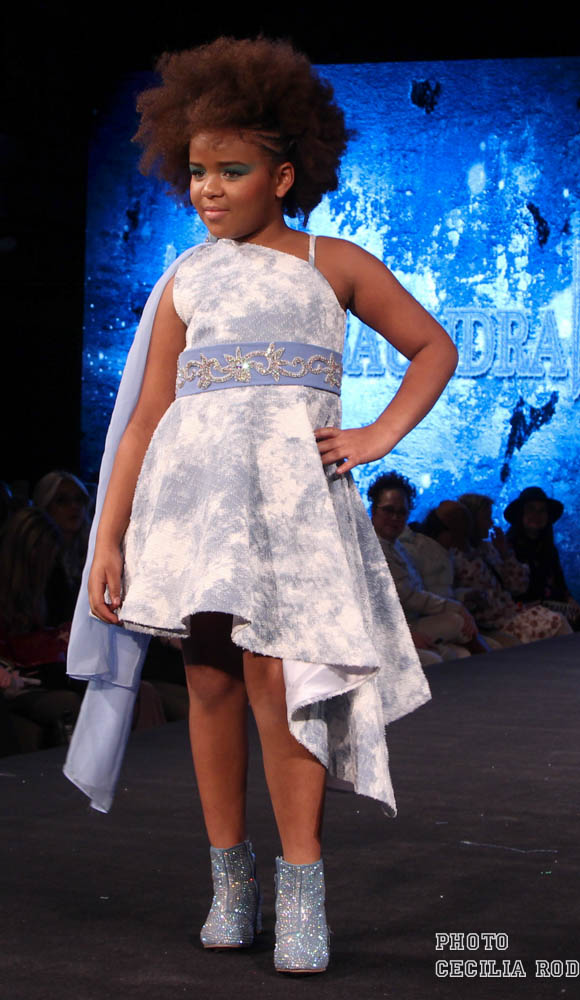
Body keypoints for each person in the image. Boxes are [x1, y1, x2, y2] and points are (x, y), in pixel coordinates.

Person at [64, 37, 457, 974]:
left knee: (279, 684)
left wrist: (377, 435)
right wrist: (107, 540)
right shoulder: (187, 277)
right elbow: (146, 417)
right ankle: (230, 881)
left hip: (288, 510)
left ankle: (303, 884)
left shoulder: (332, 262)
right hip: (193, 506)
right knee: (206, 680)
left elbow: (433, 347)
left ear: (282, 176)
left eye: (230, 171)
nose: (208, 189)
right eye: (197, 171)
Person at [369, 472, 484, 663]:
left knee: (460, 650)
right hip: (385, 630)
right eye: (388, 510)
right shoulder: (371, 548)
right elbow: (409, 597)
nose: (395, 517)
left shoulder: (397, 546)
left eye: (402, 512)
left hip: (411, 622)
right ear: (374, 510)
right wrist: (457, 607)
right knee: (457, 624)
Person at [453, 492, 571, 644]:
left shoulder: (490, 549)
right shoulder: (454, 556)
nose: (491, 522)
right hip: (497, 620)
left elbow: (519, 585)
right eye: (486, 517)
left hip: (513, 612)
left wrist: (505, 554)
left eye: (542, 511)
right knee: (558, 621)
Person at [504, 486, 580, 625]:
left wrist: (571, 601)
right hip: (523, 611)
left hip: (553, 607)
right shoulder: (507, 548)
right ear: (521, 514)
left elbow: (560, 583)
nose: (536, 515)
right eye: (531, 509)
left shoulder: (549, 548)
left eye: (542, 510)